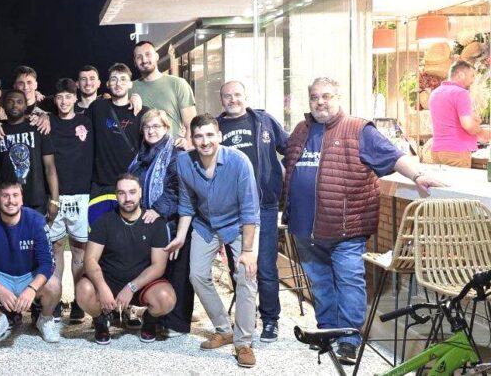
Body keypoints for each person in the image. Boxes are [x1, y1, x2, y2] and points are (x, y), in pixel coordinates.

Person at [282, 77, 443, 365]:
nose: (320, 102)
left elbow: (393, 156)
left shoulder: (358, 130)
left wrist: (418, 175)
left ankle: (349, 340)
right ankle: (327, 331)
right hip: (305, 229)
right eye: (315, 97)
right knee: (320, 283)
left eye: (326, 96)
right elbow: (289, 166)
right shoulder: (301, 130)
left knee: (349, 282)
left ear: (338, 97)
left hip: (346, 228)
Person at [170, 113, 260, 368]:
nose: (205, 141)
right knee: (197, 275)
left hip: (238, 225)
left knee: (245, 276)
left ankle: (243, 343)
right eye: (198, 136)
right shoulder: (184, 162)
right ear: (192, 139)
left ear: (219, 136)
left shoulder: (239, 161)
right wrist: (180, 236)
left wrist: (248, 251)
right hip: (205, 224)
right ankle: (224, 329)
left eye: (210, 134)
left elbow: (250, 210)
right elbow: (186, 203)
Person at [217, 80, 288, 342]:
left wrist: (283, 176)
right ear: (221, 100)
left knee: (266, 266)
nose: (232, 99)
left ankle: (271, 320)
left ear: (245, 96)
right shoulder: (216, 127)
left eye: (237, 94)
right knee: (239, 267)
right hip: (231, 209)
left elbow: (291, 148)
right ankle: (247, 317)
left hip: (263, 206)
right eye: (227, 96)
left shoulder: (263, 121)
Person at [75, 174, 176, 345]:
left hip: (140, 284)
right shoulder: (104, 222)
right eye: (121, 193)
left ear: (140, 193)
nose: (127, 198)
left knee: (166, 298)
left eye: (132, 192)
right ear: (116, 195)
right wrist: (102, 288)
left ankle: (149, 320)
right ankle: (101, 320)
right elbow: (90, 259)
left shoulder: (155, 223)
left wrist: (131, 287)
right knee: (83, 290)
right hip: (109, 281)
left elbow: (158, 266)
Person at [126, 109, 191, 336]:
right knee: (153, 271)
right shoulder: (141, 154)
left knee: (176, 272)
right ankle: (154, 316)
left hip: (170, 222)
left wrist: (158, 209)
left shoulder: (176, 153)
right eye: (147, 127)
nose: (151, 131)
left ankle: (176, 323)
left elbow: (177, 188)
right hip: (147, 222)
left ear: (166, 128)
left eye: (156, 126)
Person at [0, 182, 62, 345]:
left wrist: (31, 288)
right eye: (5, 196)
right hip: (1, 276)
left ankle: (45, 318)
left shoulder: (36, 220)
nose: (10, 201)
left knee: (54, 285)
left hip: (29, 275)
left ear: (22, 199)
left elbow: (47, 263)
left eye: (15, 195)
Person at [47, 79, 94, 323]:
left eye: (68, 96)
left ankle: (78, 301)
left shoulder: (87, 121)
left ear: (76, 97)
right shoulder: (47, 122)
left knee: (78, 251)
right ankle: (55, 300)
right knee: (56, 248)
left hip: (81, 195)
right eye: (59, 97)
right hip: (55, 196)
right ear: (54, 99)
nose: (64, 101)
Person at [0, 89, 59, 220]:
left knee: (38, 234)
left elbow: (50, 168)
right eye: (10, 102)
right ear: (3, 105)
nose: (15, 105)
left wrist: (54, 200)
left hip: (36, 201)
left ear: (26, 105)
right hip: (7, 202)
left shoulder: (38, 128)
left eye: (19, 102)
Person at [88, 63, 148, 197]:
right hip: (101, 185)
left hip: (131, 184)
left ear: (130, 84)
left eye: (123, 79)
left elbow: (157, 138)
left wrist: (181, 141)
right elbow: (75, 119)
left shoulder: (142, 112)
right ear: (108, 84)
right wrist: (45, 116)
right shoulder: (97, 108)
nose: (118, 83)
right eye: (114, 79)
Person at [130, 41, 196, 142]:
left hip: (173, 149)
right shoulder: (129, 88)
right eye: (139, 57)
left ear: (156, 56)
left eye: (148, 54)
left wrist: (186, 148)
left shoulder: (178, 84)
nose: (144, 60)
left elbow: (191, 125)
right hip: (142, 150)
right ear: (135, 62)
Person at [428, 61, 491, 167]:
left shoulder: (435, 93)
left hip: (437, 151)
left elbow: (448, 118)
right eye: (472, 76)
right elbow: (468, 125)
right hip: (456, 151)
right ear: (461, 75)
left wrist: (473, 119)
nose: (473, 80)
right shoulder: (461, 93)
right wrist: (482, 132)